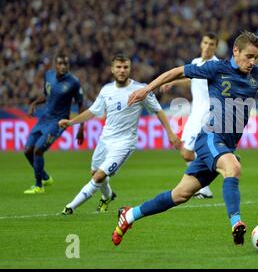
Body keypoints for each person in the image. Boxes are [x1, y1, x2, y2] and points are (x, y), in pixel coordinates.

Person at [111, 31, 258, 246]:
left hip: (226, 144)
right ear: (236, 51)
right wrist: (147, 89)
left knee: (179, 195)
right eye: (249, 56)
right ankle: (236, 223)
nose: (252, 62)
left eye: (256, 57)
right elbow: (179, 71)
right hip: (210, 137)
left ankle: (130, 215)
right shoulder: (217, 68)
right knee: (233, 168)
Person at [58, 55, 181, 215]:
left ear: (130, 69)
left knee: (99, 176)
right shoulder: (106, 90)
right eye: (119, 67)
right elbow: (92, 112)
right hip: (105, 140)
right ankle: (108, 196)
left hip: (124, 143)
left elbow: (158, 110)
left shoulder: (141, 89)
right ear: (112, 69)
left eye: (125, 67)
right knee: (95, 173)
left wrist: (170, 133)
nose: (122, 70)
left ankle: (70, 207)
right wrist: (70, 122)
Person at [160, 32, 219, 199]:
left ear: (215, 47)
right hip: (195, 113)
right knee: (186, 153)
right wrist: (173, 82)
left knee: (190, 151)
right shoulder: (195, 63)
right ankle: (205, 184)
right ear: (201, 43)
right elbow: (192, 79)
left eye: (211, 44)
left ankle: (203, 186)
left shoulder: (216, 65)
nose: (207, 46)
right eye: (205, 42)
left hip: (207, 114)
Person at [24, 53, 85, 194]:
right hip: (44, 118)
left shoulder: (74, 82)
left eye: (66, 64)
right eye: (60, 64)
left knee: (38, 150)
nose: (63, 66)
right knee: (27, 151)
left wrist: (81, 127)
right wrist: (34, 103)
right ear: (55, 65)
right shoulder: (49, 75)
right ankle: (45, 177)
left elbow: (81, 105)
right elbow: (47, 94)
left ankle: (39, 186)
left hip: (59, 122)